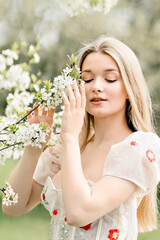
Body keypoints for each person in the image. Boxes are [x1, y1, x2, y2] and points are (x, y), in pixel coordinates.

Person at [2, 36, 160, 240]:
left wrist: (69, 136)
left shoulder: (138, 148)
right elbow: (11, 207)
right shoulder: (67, 148)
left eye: (110, 78)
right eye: (87, 79)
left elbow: (79, 213)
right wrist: (33, 149)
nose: (96, 86)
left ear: (130, 88)